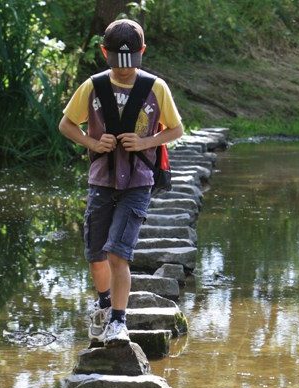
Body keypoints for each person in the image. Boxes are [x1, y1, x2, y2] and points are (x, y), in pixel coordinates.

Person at [59, 18, 183, 347]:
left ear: (142, 52)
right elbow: (67, 124)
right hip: (101, 180)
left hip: (138, 183)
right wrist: (91, 142)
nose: (124, 70)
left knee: (118, 253)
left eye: (131, 63)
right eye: (117, 62)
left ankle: (118, 320)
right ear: (105, 53)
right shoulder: (94, 86)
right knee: (96, 253)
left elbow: (176, 129)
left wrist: (145, 143)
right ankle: (102, 305)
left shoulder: (156, 88)